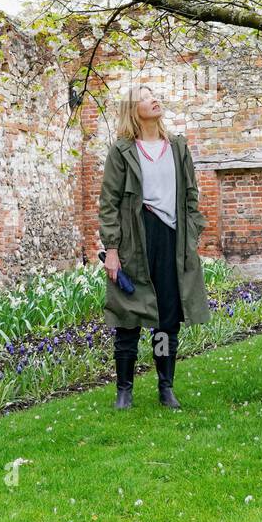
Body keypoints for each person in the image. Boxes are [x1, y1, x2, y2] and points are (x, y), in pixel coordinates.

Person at [98, 85, 209, 409]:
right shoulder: (122, 151)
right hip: (135, 239)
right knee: (128, 315)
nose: (153, 99)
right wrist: (113, 249)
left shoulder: (177, 147)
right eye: (144, 97)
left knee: (166, 319)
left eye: (154, 95)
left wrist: (192, 235)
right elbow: (109, 203)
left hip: (172, 240)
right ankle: (124, 391)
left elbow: (191, 195)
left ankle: (165, 387)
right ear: (134, 109)